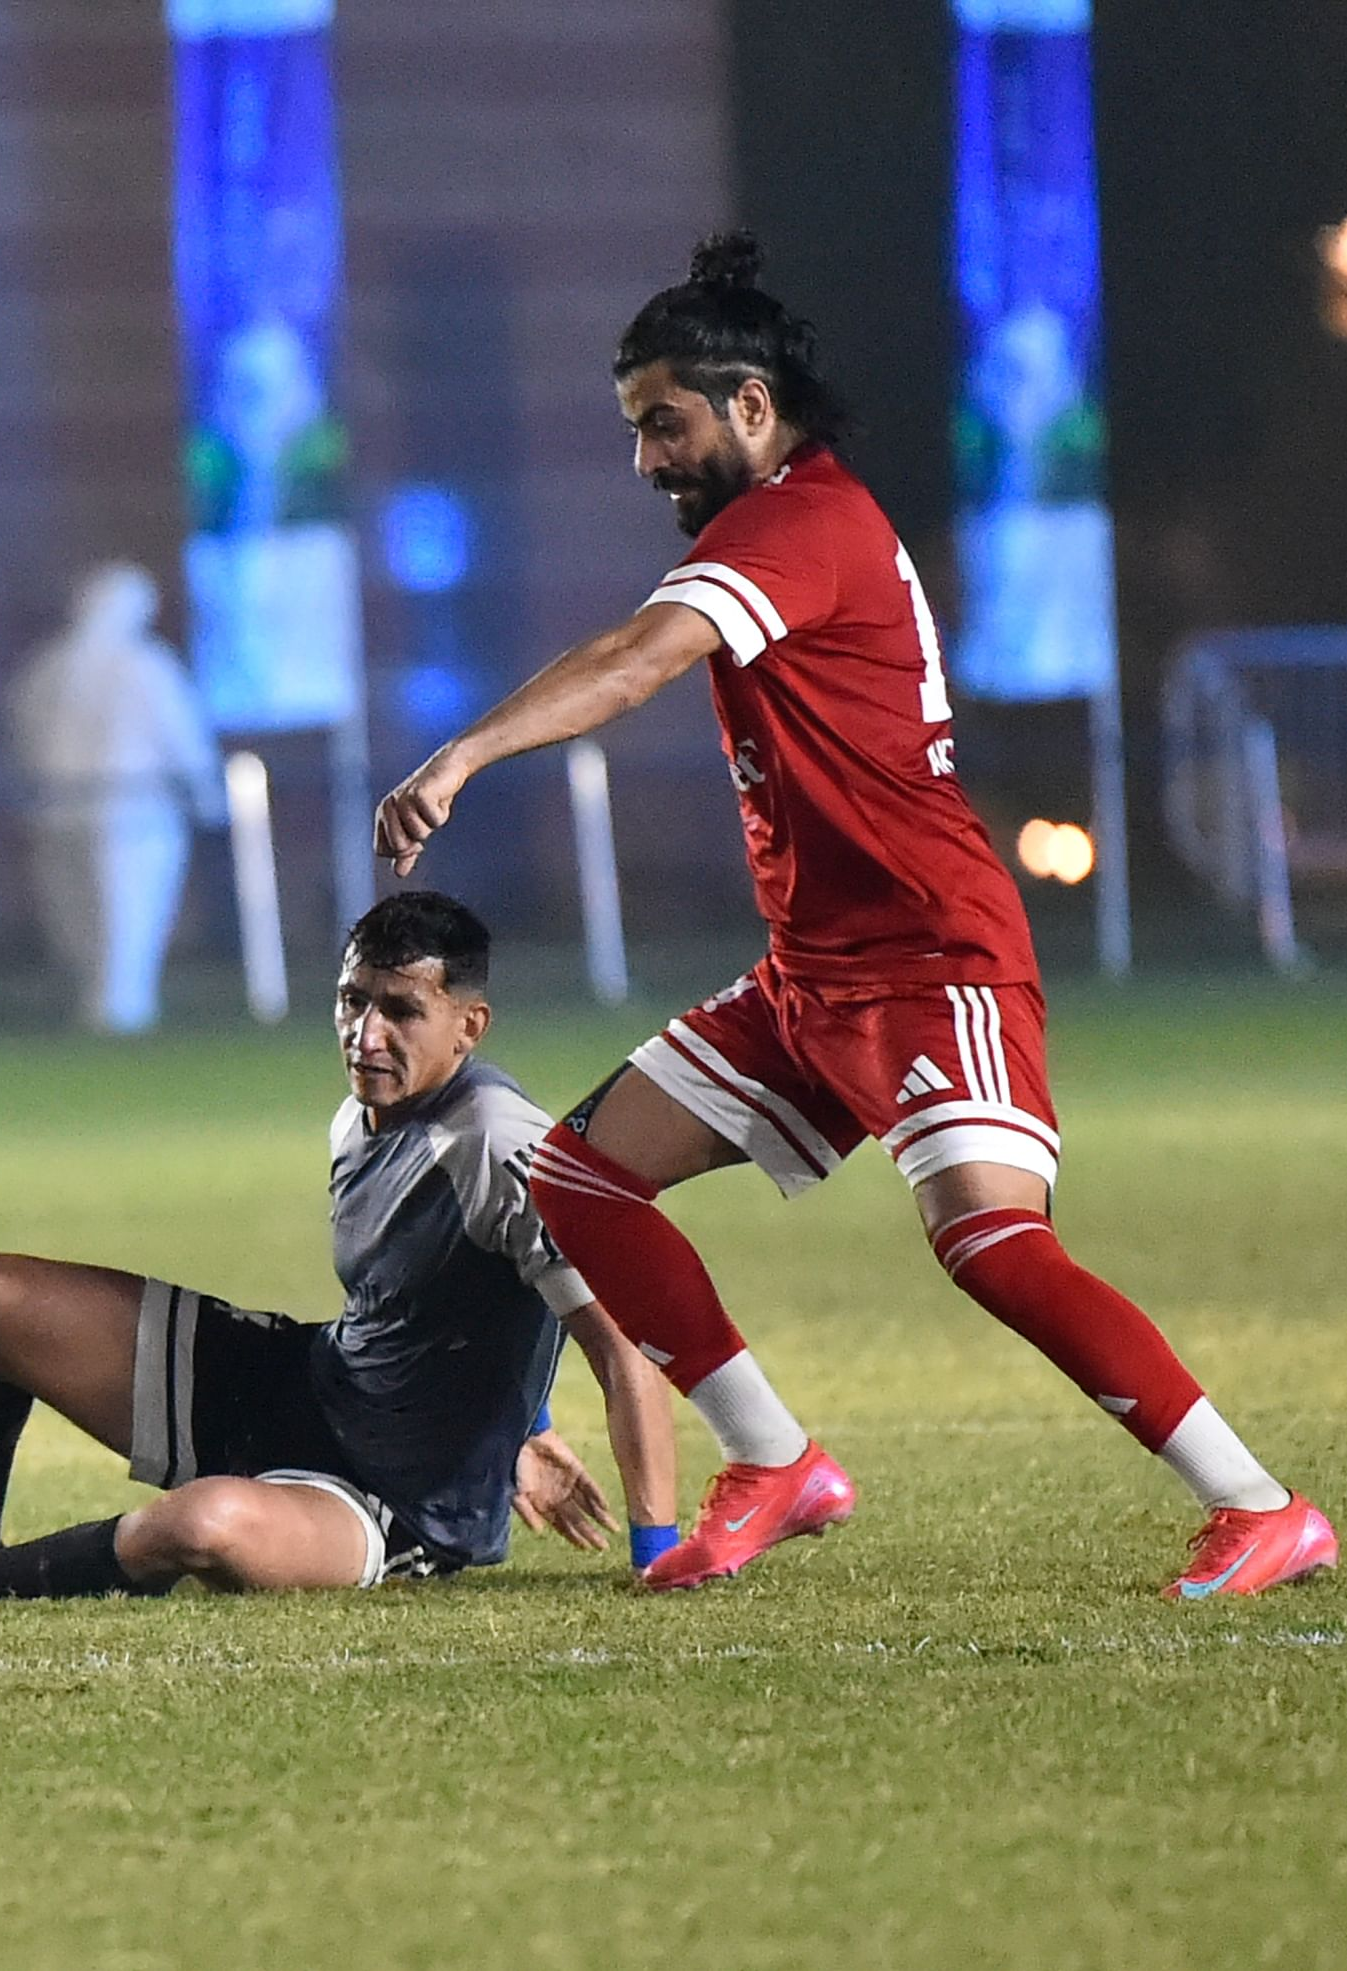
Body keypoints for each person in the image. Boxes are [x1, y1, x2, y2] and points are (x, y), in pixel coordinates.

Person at [374, 233, 1331, 1599]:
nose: (646, 459)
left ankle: (1262, 1504)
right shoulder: (772, 523)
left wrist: (461, 753)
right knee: (579, 1176)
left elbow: (637, 661)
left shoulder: (802, 524)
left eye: (666, 423)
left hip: (937, 956)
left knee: (992, 1246)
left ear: (750, 409)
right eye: (635, 427)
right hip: (814, 976)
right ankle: (773, 1459)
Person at [0, 891, 678, 1609]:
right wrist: (526, 1430)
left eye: (401, 1010)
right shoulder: (359, 1116)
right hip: (307, 1384)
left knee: (203, 1527)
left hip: (400, 1498)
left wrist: (657, 1549)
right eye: (352, 1001)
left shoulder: (500, 1142)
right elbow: (442, 1301)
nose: (366, 1034)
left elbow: (619, 1343)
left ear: (468, 1026)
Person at [10, 563, 221, 1034]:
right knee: (129, 916)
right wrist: (207, 799)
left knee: (79, 916)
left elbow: (24, 737)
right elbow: (182, 738)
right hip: (134, 814)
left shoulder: (48, 666)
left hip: (60, 811)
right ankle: (119, 1011)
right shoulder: (145, 665)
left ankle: (99, 1001)